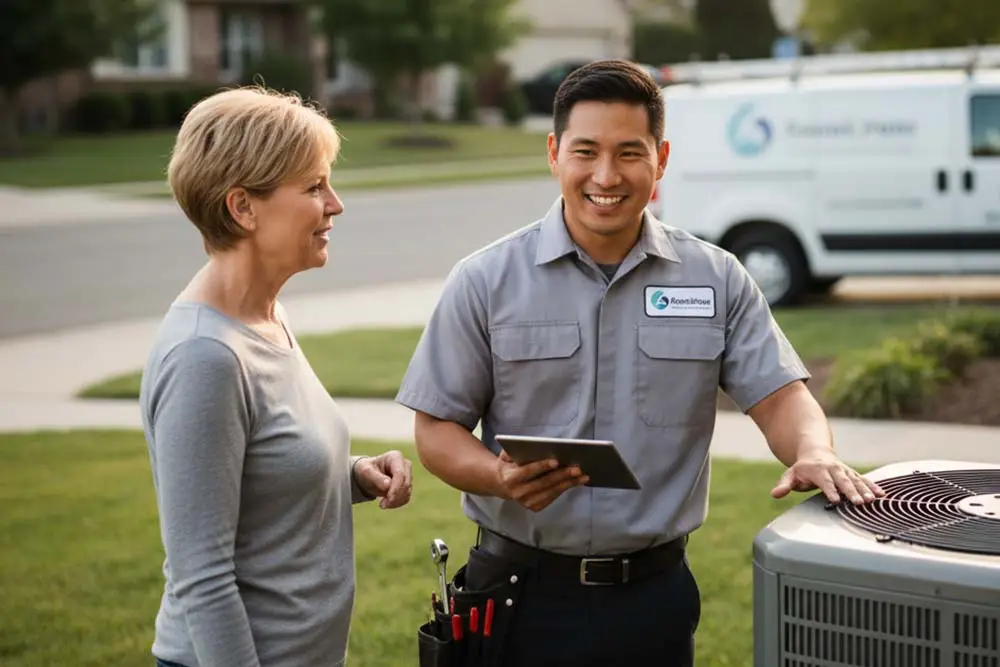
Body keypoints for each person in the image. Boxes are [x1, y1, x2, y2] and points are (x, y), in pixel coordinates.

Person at [394, 60, 884, 667]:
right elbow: (435, 430)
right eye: (585, 152)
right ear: (554, 153)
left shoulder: (717, 279)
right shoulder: (485, 281)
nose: (606, 175)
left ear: (661, 159)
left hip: (654, 601)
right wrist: (498, 478)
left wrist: (814, 450)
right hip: (518, 596)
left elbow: (781, 395)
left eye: (629, 153)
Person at [139, 86, 413, 667]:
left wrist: (355, 476)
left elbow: (262, 478)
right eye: (314, 187)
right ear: (243, 207)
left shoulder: (265, 320)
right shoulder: (205, 357)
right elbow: (203, 576)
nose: (335, 204)